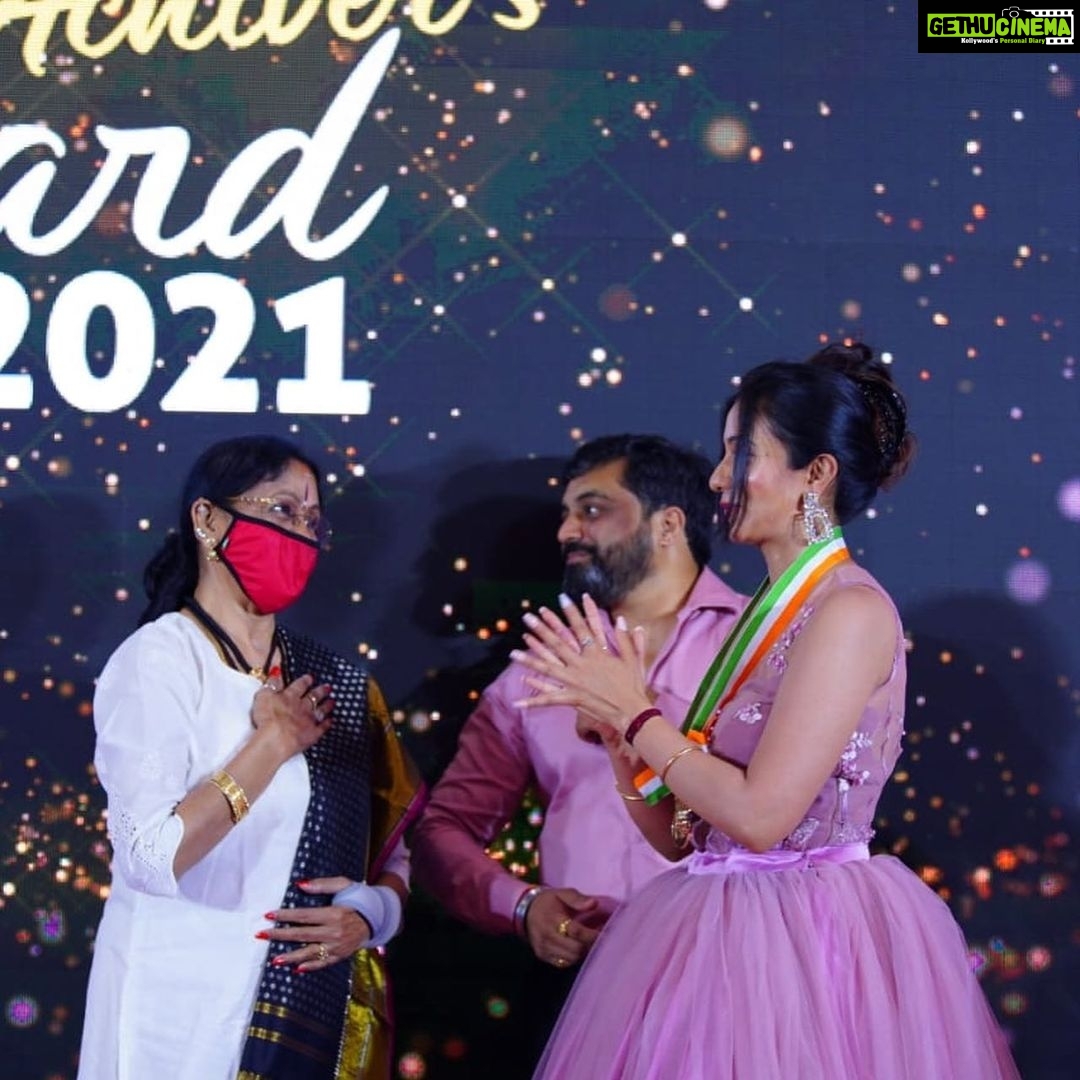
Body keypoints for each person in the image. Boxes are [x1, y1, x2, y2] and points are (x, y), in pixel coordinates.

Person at [514, 344, 1020, 1079]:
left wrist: (638, 715)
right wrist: (624, 742)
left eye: (740, 453)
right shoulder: (765, 614)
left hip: (809, 947)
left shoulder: (849, 611)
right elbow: (687, 839)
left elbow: (760, 818)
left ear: (816, 474)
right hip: (713, 934)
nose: (718, 477)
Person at [77, 435, 424, 1080]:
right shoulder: (159, 661)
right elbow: (150, 858)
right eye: (283, 510)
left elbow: (394, 849)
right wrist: (271, 745)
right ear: (208, 520)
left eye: (313, 520)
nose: (301, 534)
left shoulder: (334, 685)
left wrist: (370, 916)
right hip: (172, 1016)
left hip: (300, 1010)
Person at [410, 434, 745, 1061]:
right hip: (584, 995)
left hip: (737, 984)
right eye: (566, 514)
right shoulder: (537, 674)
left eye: (591, 510)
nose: (566, 532)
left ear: (668, 523)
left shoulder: (763, 649)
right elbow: (442, 831)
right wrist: (524, 906)